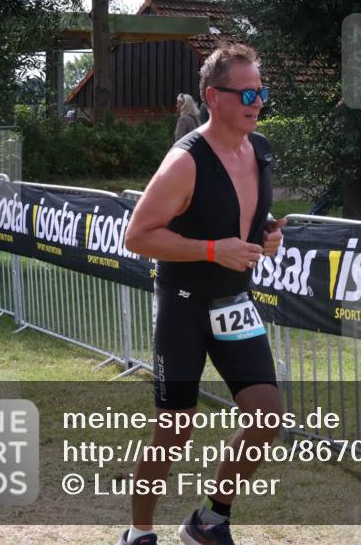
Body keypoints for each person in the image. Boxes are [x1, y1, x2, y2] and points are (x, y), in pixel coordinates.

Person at [121, 44, 286, 545]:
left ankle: (210, 521)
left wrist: (268, 234)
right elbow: (138, 235)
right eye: (248, 93)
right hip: (185, 304)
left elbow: (248, 220)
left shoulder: (261, 150)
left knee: (267, 413)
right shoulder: (185, 162)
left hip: (234, 301)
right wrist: (214, 250)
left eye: (263, 92)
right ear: (214, 96)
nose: (258, 102)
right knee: (175, 428)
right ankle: (138, 532)